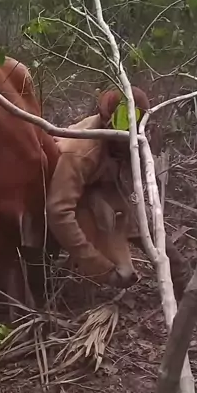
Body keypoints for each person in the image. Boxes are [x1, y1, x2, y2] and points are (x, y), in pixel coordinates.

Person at [46, 86, 149, 285]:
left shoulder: (124, 149)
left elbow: (125, 202)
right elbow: (59, 211)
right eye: (122, 122)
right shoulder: (81, 152)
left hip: (88, 188)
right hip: (55, 194)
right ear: (107, 122)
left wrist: (172, 262)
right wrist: (100, 267)